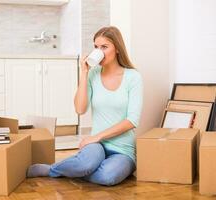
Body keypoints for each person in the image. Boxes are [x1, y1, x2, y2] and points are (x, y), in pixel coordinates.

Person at [27, 26, 143, 186]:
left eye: (104, 47)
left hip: (123, 149)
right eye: (96, 46)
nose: (99, 51)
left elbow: (132, 120)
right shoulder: (93, 75)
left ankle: (62, 170)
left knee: (107, 177)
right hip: (96, 146)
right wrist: (84, 73)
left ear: (117, 48)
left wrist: (97, 136)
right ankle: (58, 169)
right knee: (85, 164)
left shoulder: (133, 77)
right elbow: (80, 109)